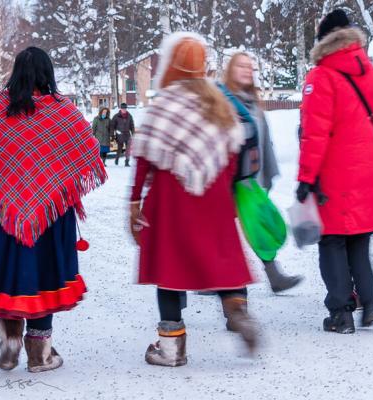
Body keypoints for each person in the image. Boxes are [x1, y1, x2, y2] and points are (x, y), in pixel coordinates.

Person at [129, 32, 258, 367]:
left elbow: (144, 158)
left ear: (173, 64)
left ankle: (171, 349)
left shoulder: (164, 104)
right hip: (214, 195)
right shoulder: (218, 102)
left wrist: (134, 203)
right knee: (219, 257)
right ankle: (235, 306)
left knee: (169, 266)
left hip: (171, 199)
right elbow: (232, 153)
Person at [0, 47, 107, 372]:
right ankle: (40, 354)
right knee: (44, 275)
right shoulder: (64, 111)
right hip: (50, 213)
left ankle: (10, 340)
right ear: (49, 72)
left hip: (4, 213)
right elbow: (89, 152)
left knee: (7, 272)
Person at [296, 10, 373, 334]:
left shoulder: (321, 76)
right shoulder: (370, 71)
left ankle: (341, 313)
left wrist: (306, 178)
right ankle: (369, 303)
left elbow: (314, 134)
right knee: (359, 241)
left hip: (334, 173)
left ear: (324, 39)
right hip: (364, 170)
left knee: (332, 241)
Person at [220, 52, 303, 294]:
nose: (247, 70)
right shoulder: (223, 99)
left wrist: (268, 173)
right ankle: (216, 280)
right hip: (230, 179)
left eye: (250, 67)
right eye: (241, 66)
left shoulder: (252, 102)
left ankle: (272, 276)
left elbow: (264, 140)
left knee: (254, 225)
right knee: (224, 232)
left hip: (250, 178)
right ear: (231, 70)